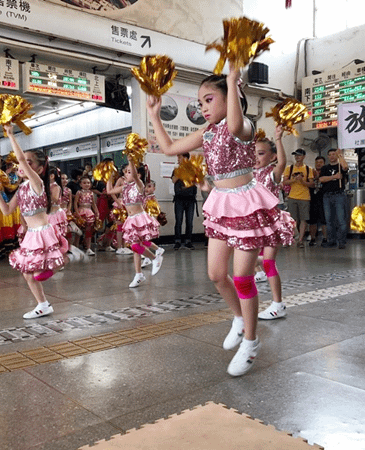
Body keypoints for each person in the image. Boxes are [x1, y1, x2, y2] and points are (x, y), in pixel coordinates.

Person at [147, 66, 286, 377]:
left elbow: (235, 125)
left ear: (231, 97)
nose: (203, 107)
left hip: (247, 204)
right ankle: (239, 318)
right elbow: (169, 148)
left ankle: (251, 341)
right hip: (222, 204)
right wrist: (155, 116)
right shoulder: (207, 132)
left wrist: (234, 81)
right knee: (215, 274)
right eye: (200, 103)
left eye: (209, 99)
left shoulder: (245, 126)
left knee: (242, 278)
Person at [0, 123, 71, 319]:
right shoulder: (22, 188)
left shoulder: (37, 184)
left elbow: (20, 159)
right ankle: (43, 305)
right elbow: (7, 210)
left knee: (35, 273)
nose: (22, 165)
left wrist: (11, 135)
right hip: (31, 235)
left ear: (40, 168)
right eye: (22, 163)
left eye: (28, 163)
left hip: (43, 231)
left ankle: (62, 260)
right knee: (27, 273)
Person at [252, 128, 295, 320]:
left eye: (261, 154)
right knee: (254, 261)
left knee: (268, 262)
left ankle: (278, 304)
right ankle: (258, 277)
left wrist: (278, 138)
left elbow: (283, 163)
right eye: (253, 153)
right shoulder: (250, 174)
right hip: (253, 223)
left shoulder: (272, 173)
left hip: (270, 222)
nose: (256, 157)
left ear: (272, 157)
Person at [107, 160, 164, 287]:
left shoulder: (139, 185)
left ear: (137, 175)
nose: (125, 174)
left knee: (135, 247)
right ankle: (138, 274)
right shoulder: (125, 187)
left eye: (129, 172)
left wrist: (131, 159)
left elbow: (134, 172)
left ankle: (155, 258)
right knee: (135, 249)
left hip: (139, 218)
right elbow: (110, 191)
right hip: (131, 219)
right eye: (125, 172)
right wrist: (109, 176)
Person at [282, 148, 314, 248]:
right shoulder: (289, 168)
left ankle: (300, 240)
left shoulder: (308, 169)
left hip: (305, 197)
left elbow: (312, 184)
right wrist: (294, 180)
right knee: (292, 219)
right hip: (292, 196)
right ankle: (290, 238)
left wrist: (303, 181)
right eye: (296, 155)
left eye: (299, 155)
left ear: (304, 156)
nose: (297, 157)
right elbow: (285, 182)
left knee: (303, 219)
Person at [319, 148, 349, 249]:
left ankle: (341, 241)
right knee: (329, 220)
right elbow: (321, 179)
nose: (332, 156)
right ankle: (331, 240)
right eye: (330, 154)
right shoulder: (325, 168)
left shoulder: (340, 166)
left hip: (339, 194)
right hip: (327, 196)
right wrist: (334, 177)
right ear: (327, 156)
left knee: (341, 219)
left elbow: (345, 167)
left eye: (334, 154)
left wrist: (340, 155)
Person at [171, 153, 198, 250]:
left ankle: (188, 241)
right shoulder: (176, 170)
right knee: (178, 221)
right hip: (179, 199)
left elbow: (196, 181)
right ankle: (177, 241)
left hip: (190, 199)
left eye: (179, 157)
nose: (178, 159)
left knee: (189, 221)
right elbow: (174, 180)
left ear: (185, 158)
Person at [140, 180, 166, 268]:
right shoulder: (145, 197)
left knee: (145, 239)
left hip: (148, 221)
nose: (147, 188)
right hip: (144, 220)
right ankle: (148, 257)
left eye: (149, 186)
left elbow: (155, 210)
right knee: (143, 239)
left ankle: (157, 250)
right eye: (146, 186)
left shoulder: (152, 198)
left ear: (154, 188)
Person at [74, 175, 99, 255]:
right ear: (80, 184)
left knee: (89, 231)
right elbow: (75, 204)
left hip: (89, 212)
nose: (87, 184)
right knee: (78, 231)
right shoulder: (79, 192)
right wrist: (77, 213)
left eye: (88, 183)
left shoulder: (91, 193)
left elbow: (93, 204)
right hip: (81, 211)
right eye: (84, 183)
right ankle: (76, 247)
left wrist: (96, 212)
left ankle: (88, 248)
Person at [307, 155, 327, 246]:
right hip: (312, 198)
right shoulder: (310, 173)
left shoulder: (327, 173)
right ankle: (312, 238)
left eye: (320, 162)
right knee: (312, 219)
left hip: (324, 197)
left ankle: (325, 238)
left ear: (324, 163)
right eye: (317, 162)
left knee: (324, 219)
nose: (318, 164)